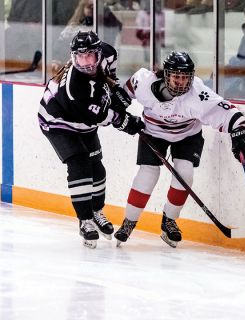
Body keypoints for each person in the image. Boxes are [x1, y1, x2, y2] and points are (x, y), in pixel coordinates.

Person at [114, 51, 245, 248]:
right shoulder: (144, 81)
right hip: (153, 132)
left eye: (185, 77)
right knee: (148, 174)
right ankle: (129, 221)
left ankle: (169, 220)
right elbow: (124, 94)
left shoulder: (198, 94)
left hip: (187, 136)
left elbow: (227, 112)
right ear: (166, 74)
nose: (180, 82)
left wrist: (238, 132)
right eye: (176, 77)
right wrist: (120, 111)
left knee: (184, 174)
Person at [38, 31, 145, 248]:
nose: (85, 62)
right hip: (58, 121)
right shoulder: (75, 87)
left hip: (84, 120)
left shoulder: (108, 54)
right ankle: (85, 220)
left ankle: (96, 212)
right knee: (80, 166)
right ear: (73, 56)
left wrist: (115, 92)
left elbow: (110, 79)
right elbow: (99, 116)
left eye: (89, 56)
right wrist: (125, 121)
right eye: (80, 57)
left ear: (98, 53)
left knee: (98, 169)